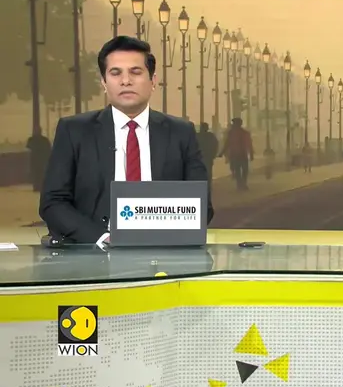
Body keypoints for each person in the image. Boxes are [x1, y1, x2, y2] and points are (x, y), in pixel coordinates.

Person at [39, 36, 214, 246]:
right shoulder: (74, 130)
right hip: (93, 251)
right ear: (104, 83)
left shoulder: (181, 132)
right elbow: (53, 203)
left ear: (153, 81)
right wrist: (102, 238)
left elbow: (201, 206)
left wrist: (163, 237)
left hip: (164, 251)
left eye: (135, 72)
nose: (126, 81)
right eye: (115, 73)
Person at [219, 117, 254, 190]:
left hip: (235, 154)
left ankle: (240, 184)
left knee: (238, 170)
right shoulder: (245, 133)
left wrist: (222, 152)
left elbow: (227, 143)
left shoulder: (231, 133)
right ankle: (242, 184)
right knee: (244, 170)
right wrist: (251, 154)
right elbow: (249, 144)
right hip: (242, 154)